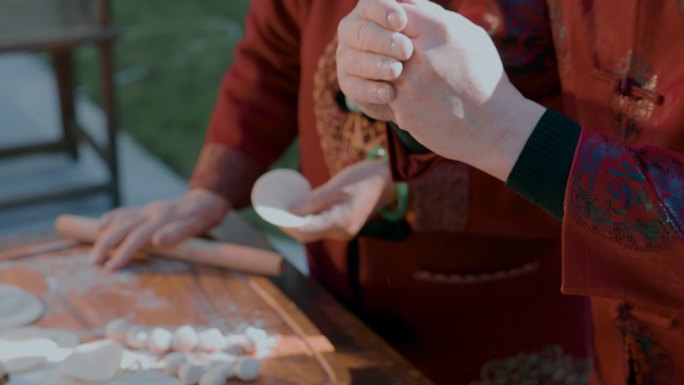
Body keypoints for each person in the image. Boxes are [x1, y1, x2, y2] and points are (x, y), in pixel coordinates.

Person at [91, 1, 592, 383]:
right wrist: (210, 190)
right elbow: (271, 63)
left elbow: (595, 156)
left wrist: (400, 191)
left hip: (497, 313)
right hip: (338, 286)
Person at [337, 1, 684, 384]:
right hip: (610, 355)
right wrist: (404, 74)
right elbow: (513, 69)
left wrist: (508, 130)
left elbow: (512, 121)